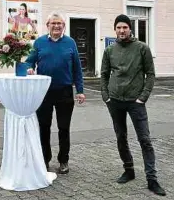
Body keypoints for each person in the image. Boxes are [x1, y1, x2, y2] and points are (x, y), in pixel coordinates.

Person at [100, 14, 166, 196]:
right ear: (115, 30)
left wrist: (142, 97)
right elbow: (104, 74)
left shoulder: (142, 48)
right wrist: (106, 96)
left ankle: (152, 179)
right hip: (115, 101)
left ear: (130, 29)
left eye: (125, 27)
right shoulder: (109, 51)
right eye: (118, 28)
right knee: (121, 137)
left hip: (135, 102)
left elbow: (150, 74)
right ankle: (128, 170)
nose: (122, 31)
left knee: (144, 139)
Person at [26, 12, 86, 174]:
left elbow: (77, 69)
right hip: (43, 91)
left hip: (65, 92)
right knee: (44, 127)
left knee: (63, 128)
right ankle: (44, 160)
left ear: (63, 26)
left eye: (59, 23)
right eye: (53, 23)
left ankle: (63, 160)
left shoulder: (70, 43)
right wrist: (29, 68)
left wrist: (80, 90)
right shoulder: (39, 42)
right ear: (47, 26)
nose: (57, 26)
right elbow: (29, 61)